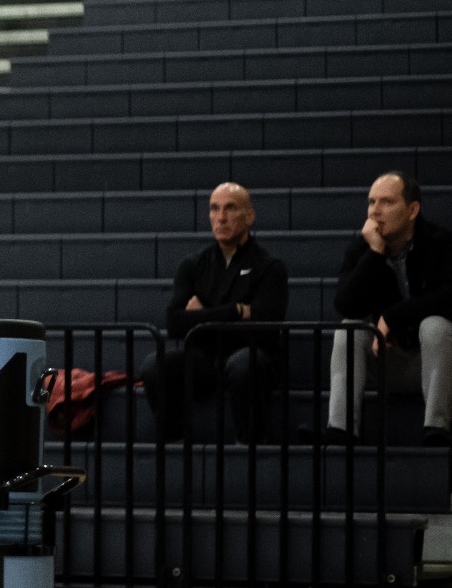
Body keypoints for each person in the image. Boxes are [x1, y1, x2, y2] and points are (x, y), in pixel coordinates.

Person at [139, 183, 289, 443]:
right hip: (205, 358)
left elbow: (265, 330)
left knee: (243, 364)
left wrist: (203, 316)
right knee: (154, 366)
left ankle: (251, 443)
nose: (221, 217)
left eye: (230, 208)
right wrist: (235, 310)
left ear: (249, 216)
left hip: (252, 358)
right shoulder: (192, 265)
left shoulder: (270, 267)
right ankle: (173, 443)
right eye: (214, 209)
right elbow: (175, 323)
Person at [323, 172, 452, 447]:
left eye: (387, 202)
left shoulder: (440, 242)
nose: (375, 211)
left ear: (412, 210)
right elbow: (345, 305)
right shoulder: (362, 249)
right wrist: (374, 253)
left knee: (436, 325)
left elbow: (448, 296)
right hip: (388, 360)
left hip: (437, 363)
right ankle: (341, 429)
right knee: (349, 329)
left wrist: (392, 317)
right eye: (371, 202)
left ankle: (437, 427)